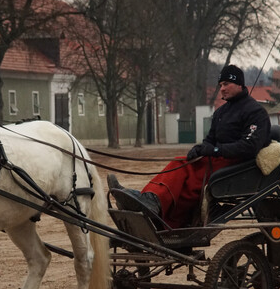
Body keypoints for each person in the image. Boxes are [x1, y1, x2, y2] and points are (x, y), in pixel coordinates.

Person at [108, 64, 271, 228]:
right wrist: (201, 148)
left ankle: (151, 201)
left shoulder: (255, 112)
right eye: (220, 85)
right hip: (217, 161)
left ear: (239, 84)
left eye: (226, 84)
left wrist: (214, 150)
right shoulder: (221, 112)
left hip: (237, 166)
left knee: (181, 165)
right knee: (185, 179)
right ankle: (155, 209)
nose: (222, 89)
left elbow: (249, 147)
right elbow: (211, 139)